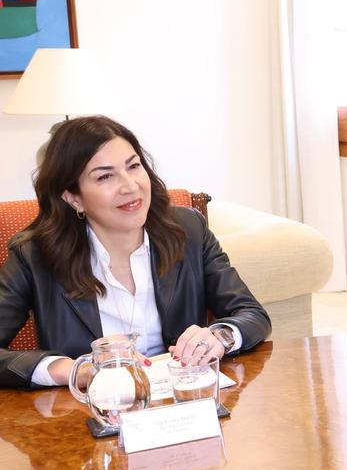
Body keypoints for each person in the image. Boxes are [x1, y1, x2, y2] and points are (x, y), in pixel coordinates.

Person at [0, 116, 270, 389]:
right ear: (73, 197)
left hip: (185, 405)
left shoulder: (188, 229)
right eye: (105, 176)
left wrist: (220, 336)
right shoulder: (34, 255)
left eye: (134, 166)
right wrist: (68, 369)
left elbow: (252, 314)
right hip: (92, 414)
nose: (130, 186)